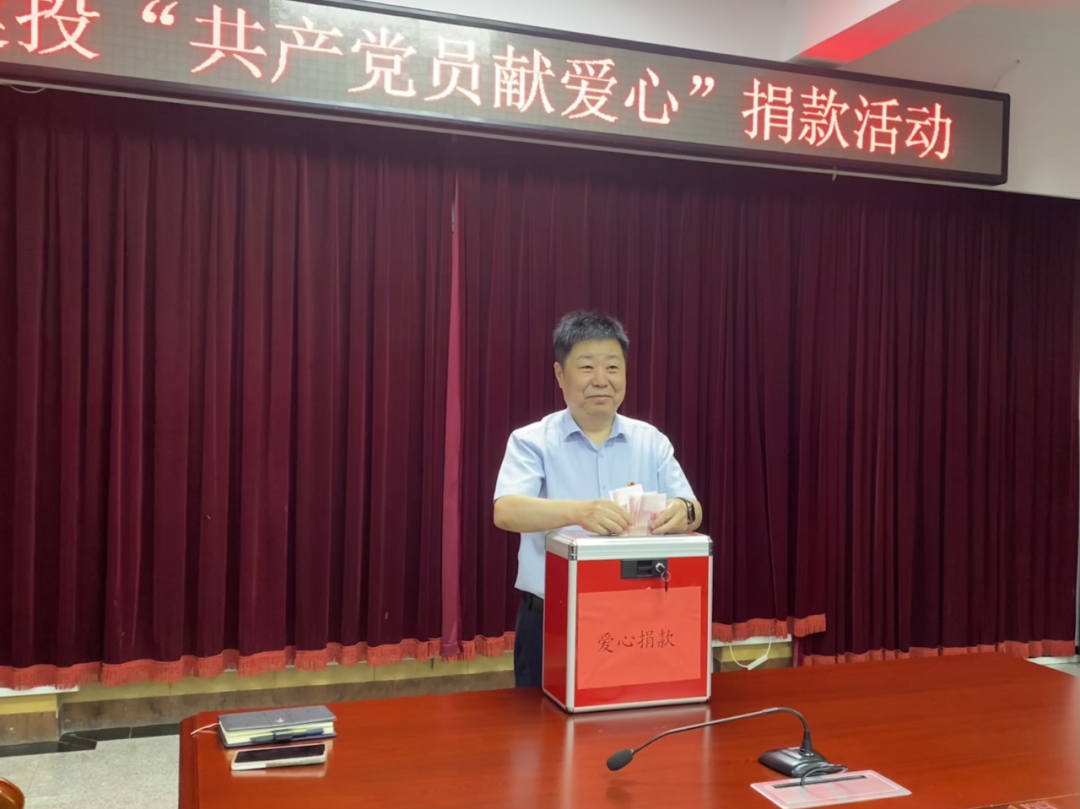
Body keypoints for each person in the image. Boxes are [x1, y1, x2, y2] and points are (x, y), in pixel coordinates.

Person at [493, 311, 703, 688]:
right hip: (554, 617)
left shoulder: (651, 441)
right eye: (587, 367)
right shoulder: (532, 441)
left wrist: (683, 511)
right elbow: (506, 511)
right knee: (542, 721)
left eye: (613, 367)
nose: (601, 380)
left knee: (634, 715)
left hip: (638, 617)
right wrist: (580, 512)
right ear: (560, 374)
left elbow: (693, 508)